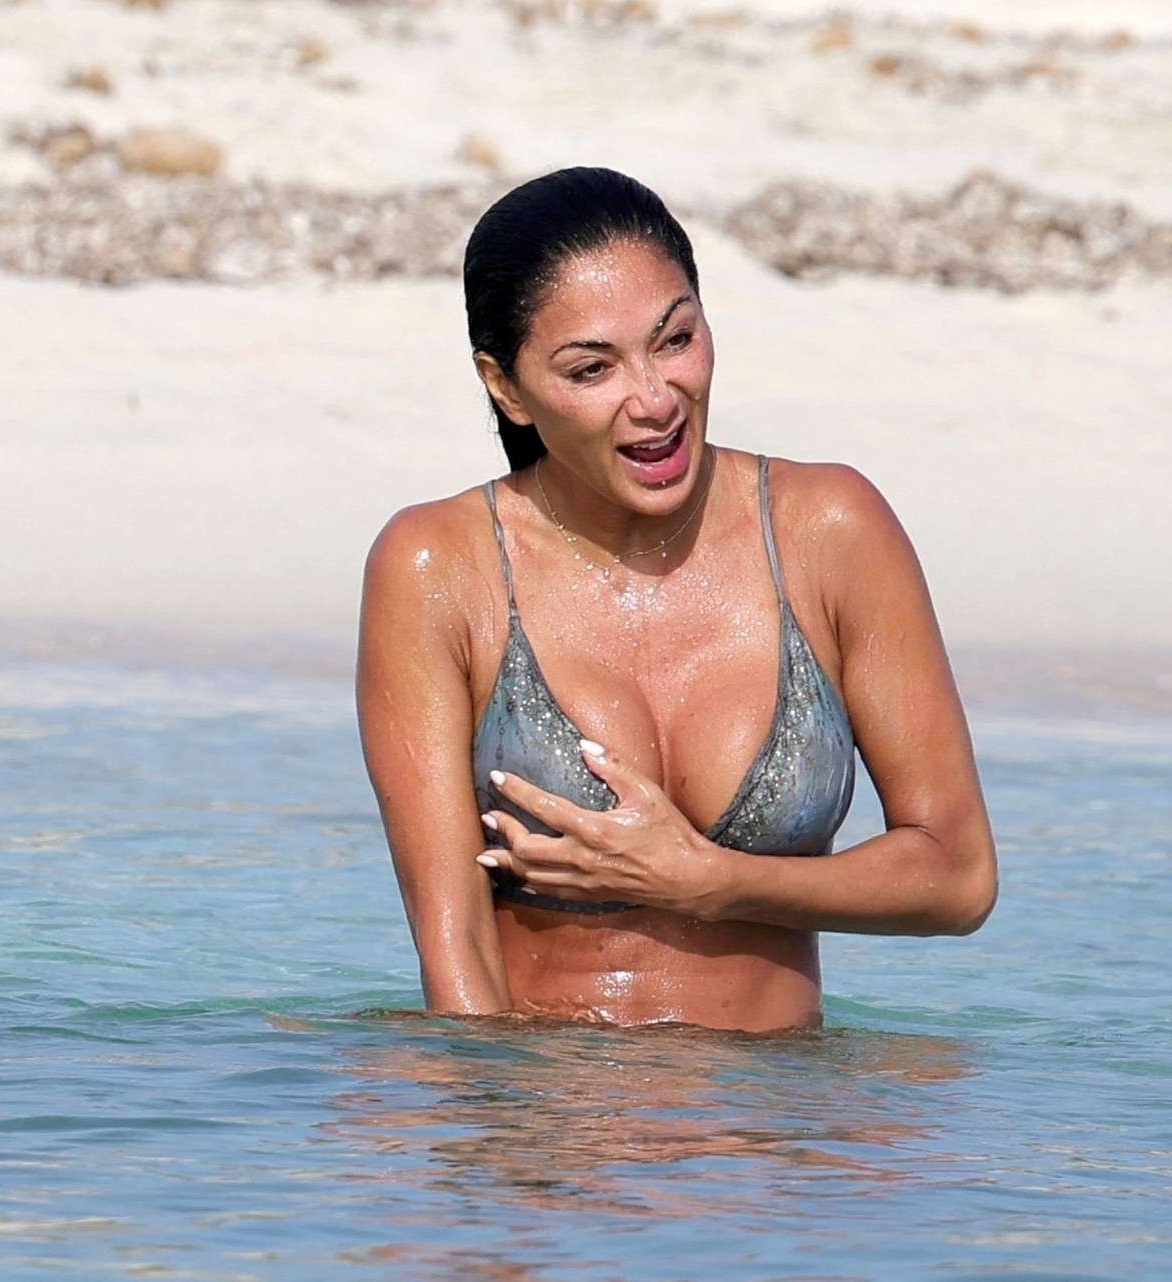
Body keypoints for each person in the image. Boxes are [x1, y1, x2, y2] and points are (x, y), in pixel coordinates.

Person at [357, 167, 996, 1033]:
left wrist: (712, 881)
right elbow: (455, 950)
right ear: (505, 388)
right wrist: (494, 1108)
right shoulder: (440, 566)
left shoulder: (828, 531)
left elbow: (958, 877)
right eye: (592, 368)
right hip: (548, 1102)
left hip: (780, 1110)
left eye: (675, 340)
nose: (655, 399)